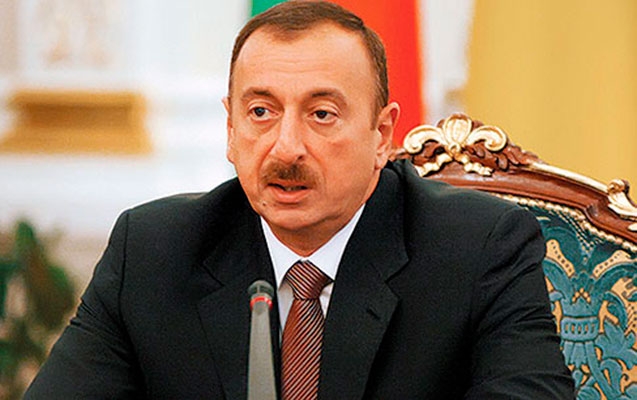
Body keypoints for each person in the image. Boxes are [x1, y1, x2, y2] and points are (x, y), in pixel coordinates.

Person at [25, 1, 575, 399]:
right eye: (261, 112)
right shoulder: (152, 251)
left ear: (382, 136)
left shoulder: (479, 248)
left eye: (321, 114)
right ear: (231, 129)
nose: (286, 148)